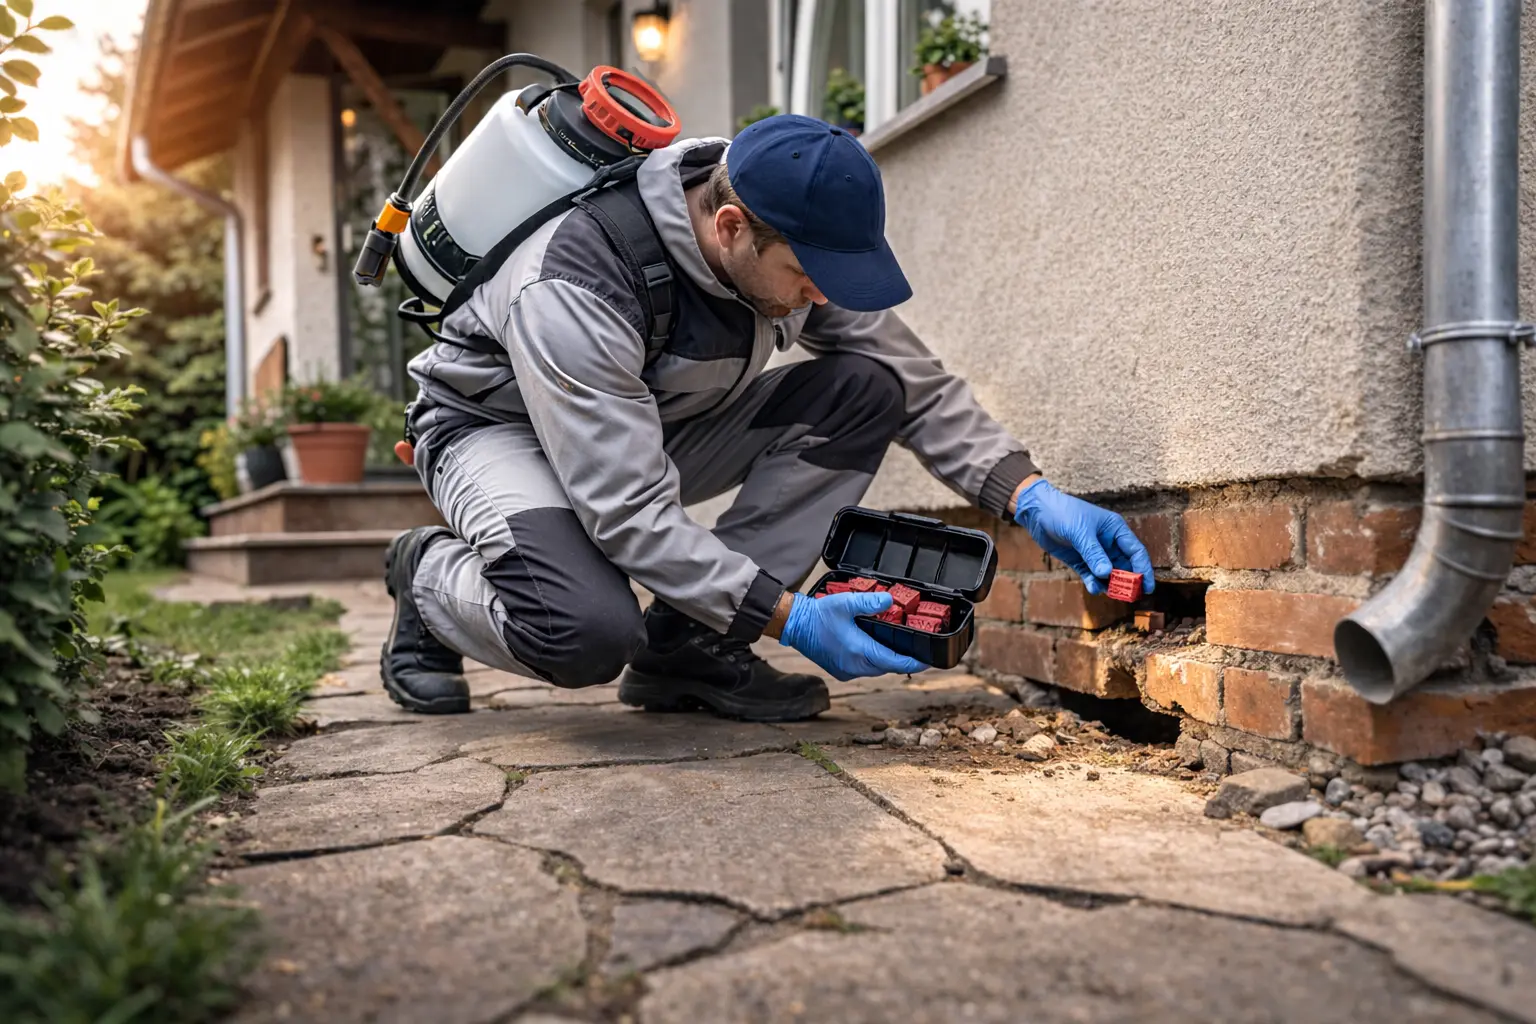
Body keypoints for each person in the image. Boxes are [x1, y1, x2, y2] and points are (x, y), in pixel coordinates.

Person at [382, 113, 1153, 721]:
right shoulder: (578, 283)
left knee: (865, 388)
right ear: (730, 228)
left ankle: (692, 647)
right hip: (494, 432)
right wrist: (790, 618)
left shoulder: (781, 223)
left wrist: (1027, 495)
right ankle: (425, 578)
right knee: (584, 632)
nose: (820, 297)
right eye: (806, 278)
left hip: (637, 426)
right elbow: (628, 514)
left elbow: (915, 382)